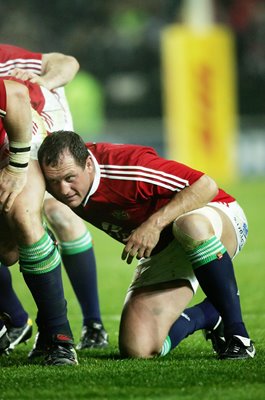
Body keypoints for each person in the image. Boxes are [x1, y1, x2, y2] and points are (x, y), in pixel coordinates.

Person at [38, 131, 255, 360]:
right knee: (138, 348)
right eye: (54, 182)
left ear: (89, 164)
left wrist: (154, 224)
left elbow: (206, 186)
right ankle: (210, 313)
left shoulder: (128, 167)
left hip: (215, 217)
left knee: (189, 225)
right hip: (163, 247)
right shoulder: (54, 179)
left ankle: (238, 335)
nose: (62, 190)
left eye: (70, 178)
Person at [0, 44, 108, 353]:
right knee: (8, 251)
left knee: (44, 213)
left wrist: (41, 82)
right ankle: (18, 319)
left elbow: (67, 63)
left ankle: (78, 328)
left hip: (32, 122)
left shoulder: (4, 60)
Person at [0, 77, 79, 365]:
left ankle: (60, 339)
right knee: (7, 252)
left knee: (22, 216)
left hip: (17, 135)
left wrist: (17, 165)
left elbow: (16, 94)